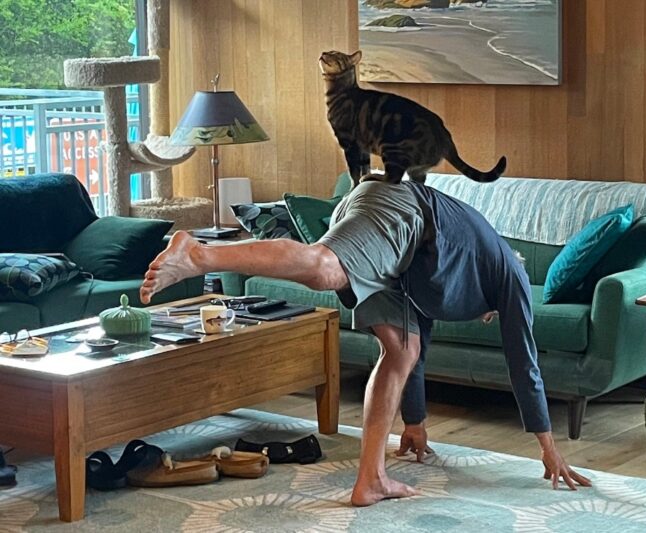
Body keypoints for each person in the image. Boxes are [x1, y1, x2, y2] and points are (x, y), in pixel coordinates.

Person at [140, 179, 591, 507]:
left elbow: (420, 344)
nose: (485, 318)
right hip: (405, 208)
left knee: (401, 350)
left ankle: (371, 480)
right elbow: (523, 361)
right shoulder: (509, 275)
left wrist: (414, 422)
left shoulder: (454, 280)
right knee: (326, 270)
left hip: (403, 254)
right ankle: (199, 253)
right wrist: (548, 449)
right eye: (490, 314)